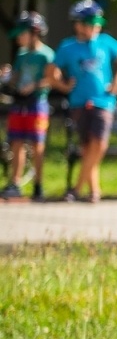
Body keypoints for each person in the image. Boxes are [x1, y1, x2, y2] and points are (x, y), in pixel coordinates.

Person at [47, 0, 117, 203]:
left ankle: (77, 188)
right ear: (77, 24)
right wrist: (62, 86)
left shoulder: (106, 42)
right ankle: (94, 191)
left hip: (103, 101)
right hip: (79, 102)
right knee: (87, 148)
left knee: (100, 144)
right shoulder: (67, 47)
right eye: (89, 23)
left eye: (97, 23)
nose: (94, 27)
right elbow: (51, 72)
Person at [3, 12, 54, 201]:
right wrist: (7, 77)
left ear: (35, 32)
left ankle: (38, 185)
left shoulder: (47, 54)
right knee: (16, 143)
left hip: (37, 104)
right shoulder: (22, 54)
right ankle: (14, 183)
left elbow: (52, 78)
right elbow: (16, 76)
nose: (18, 37)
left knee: (37, 145)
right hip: (19, 103)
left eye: (22, 33)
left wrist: (34, 85)